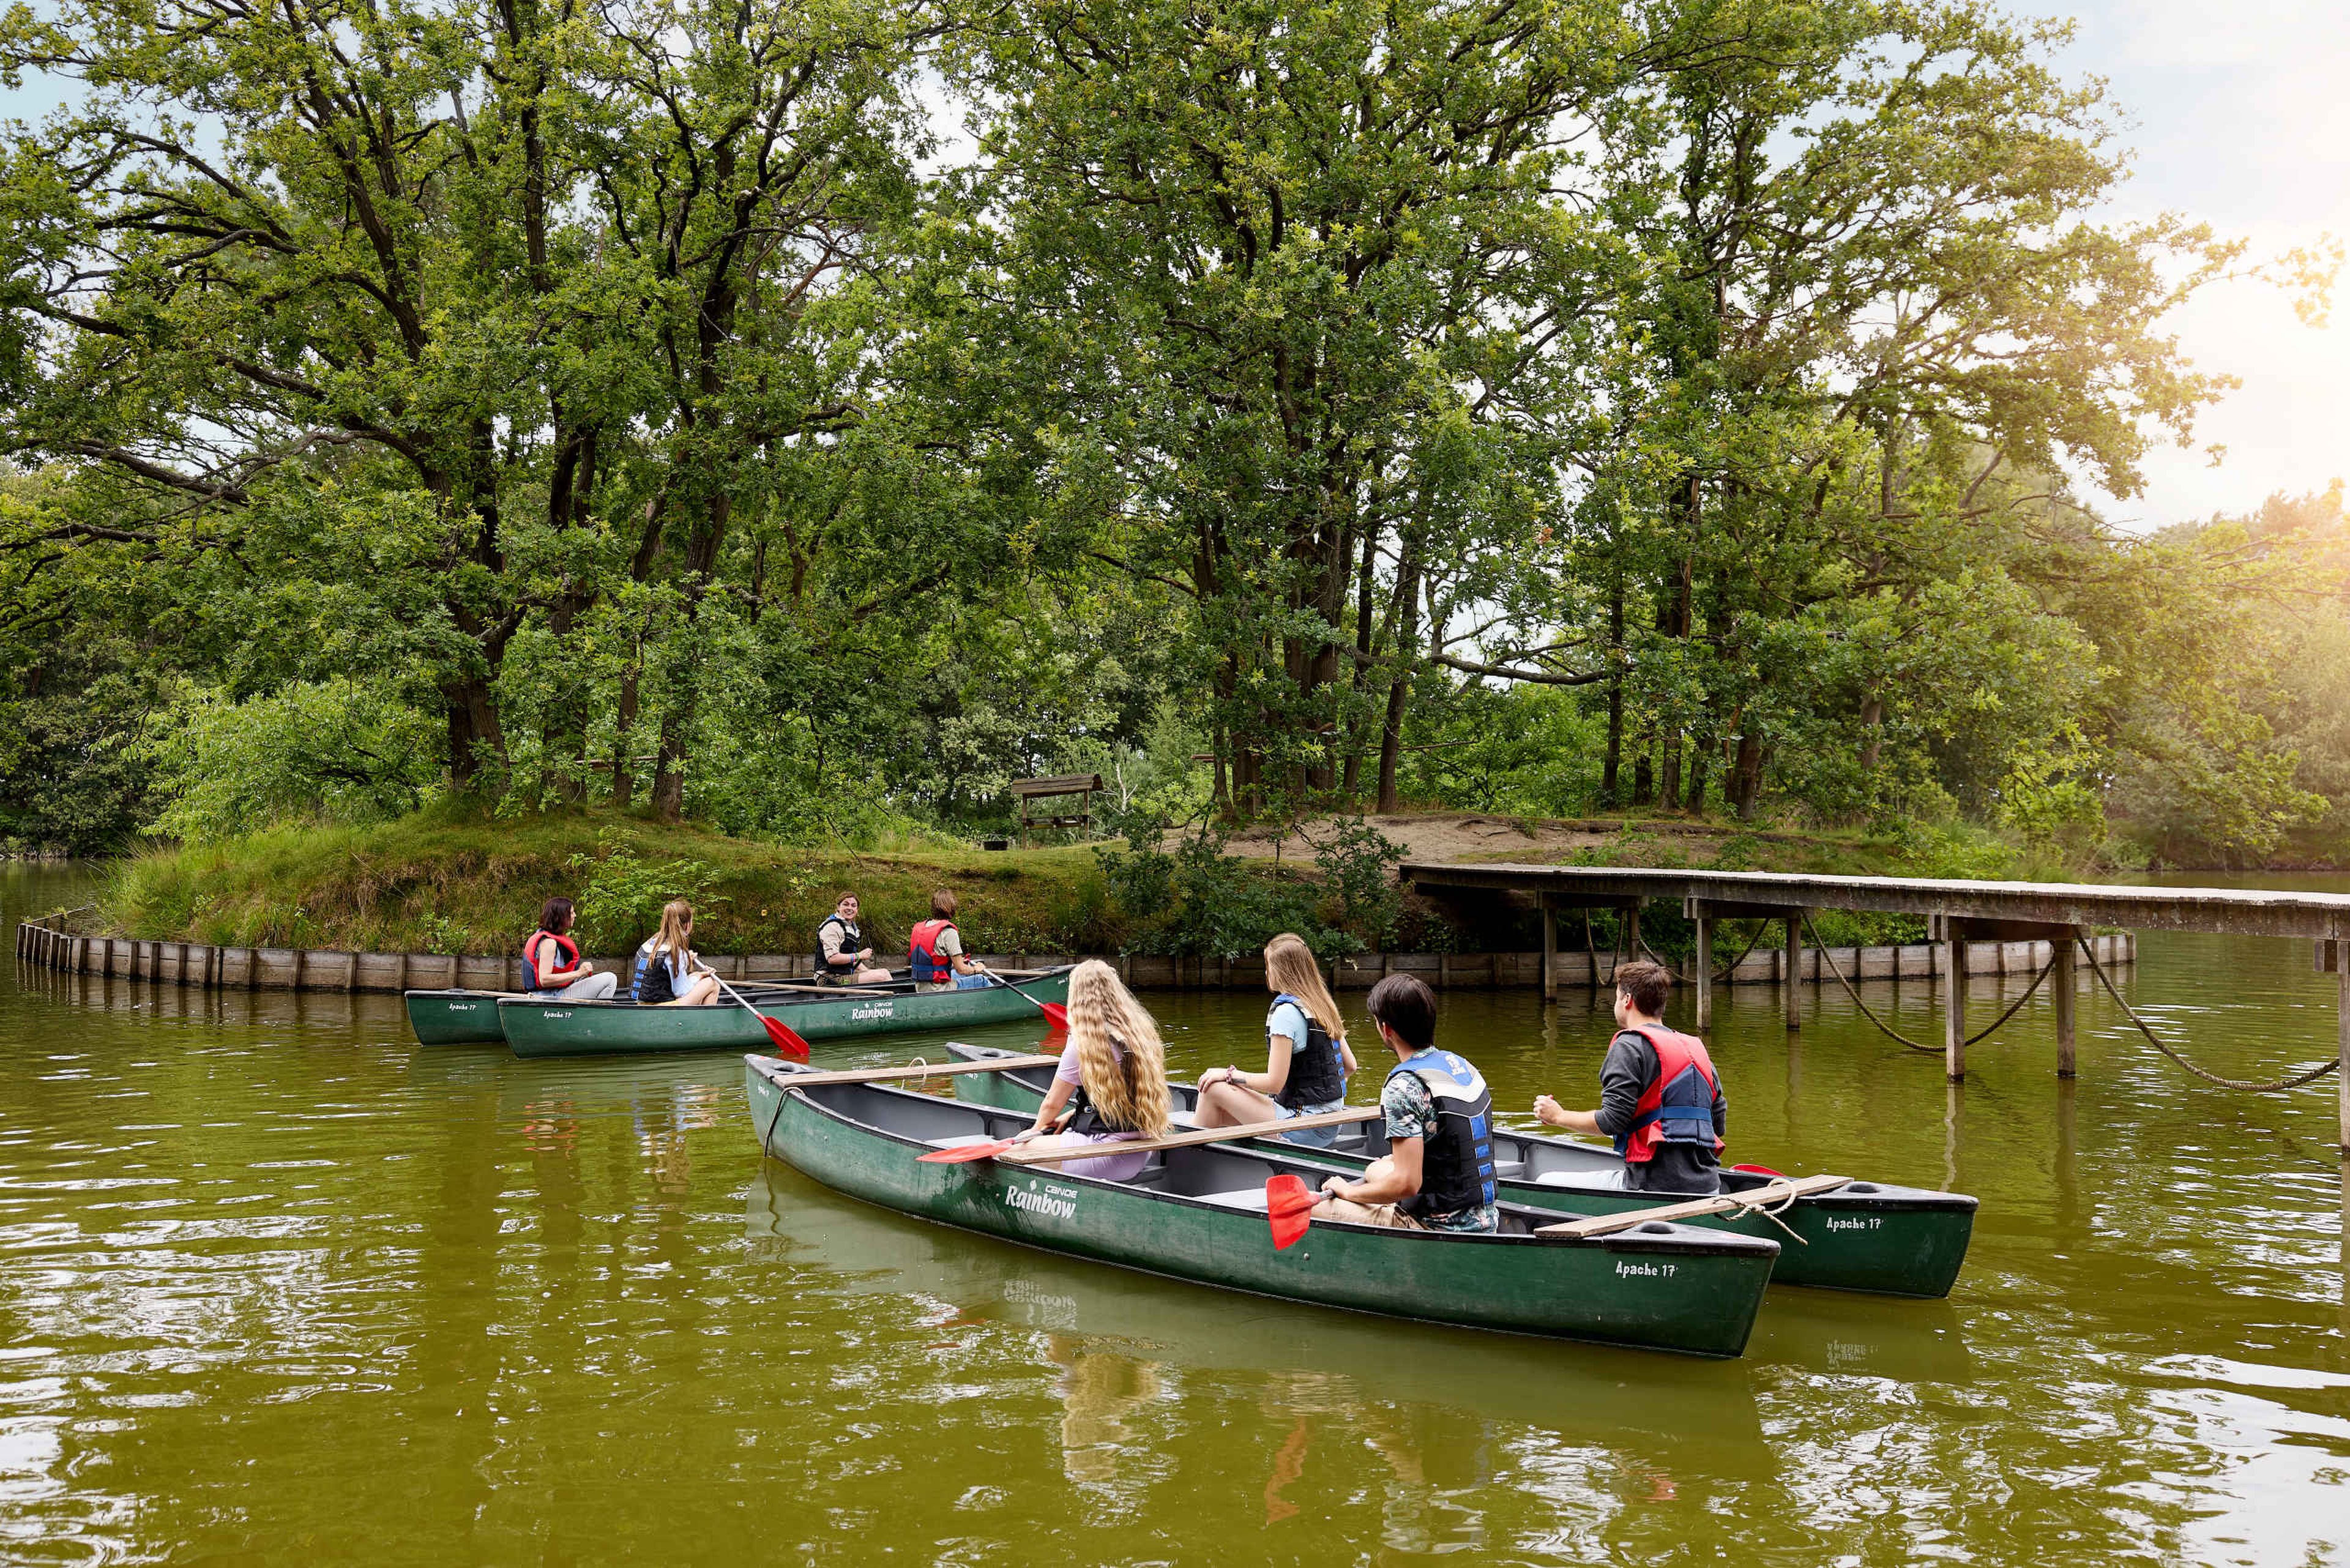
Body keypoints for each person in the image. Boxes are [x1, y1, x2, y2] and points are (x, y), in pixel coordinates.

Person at [1311, 974, 1498, 1232]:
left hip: (1438, 1227)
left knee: (1315, 1210)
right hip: (1486, 1216)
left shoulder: (1403, 1087)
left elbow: (1406, 1185)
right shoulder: (1462, 1066)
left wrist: (1346, 1191)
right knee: (1376, 1169)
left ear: (1387, 1030)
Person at [1533, 958, 1726, 1195]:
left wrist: (1558, 1116)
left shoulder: (1629, 1046)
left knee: (1544, 1181)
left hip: (1651, 1188)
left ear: (1627, 1000)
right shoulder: (1696, 1049)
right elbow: (1717, 1124)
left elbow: (1612, 1121)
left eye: (1616, 997)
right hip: (1709, 1189)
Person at [1010, 959, 1173, 1181]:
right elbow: (1119, 1103)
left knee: (1014, 1152)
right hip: (1140, 1153)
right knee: (1059, 1134)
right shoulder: (1140, 1034)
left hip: (1102, 1156)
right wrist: (1071, 1116)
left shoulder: (1082, 1045)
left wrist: (1034, 1134)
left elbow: (1051, 1104)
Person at [1193, 933, 1360, 1147]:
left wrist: (1229, 1075)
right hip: (1330, 1124)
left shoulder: (1286, 1013)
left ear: (1280, 971)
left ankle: (1190, 1160)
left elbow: (1274, 1084)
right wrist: (1323, 1098)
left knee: (1212, 1089)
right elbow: (1351, 1066)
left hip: (1302, 1126)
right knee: (1219, 1111)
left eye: (1268, 965)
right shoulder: (1322, 1005)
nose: (1266, 972)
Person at [521, 897, 617, 1000]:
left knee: (585, 977)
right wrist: (578, 973)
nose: (575, 916)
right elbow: (544, 980)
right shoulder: (549, 943)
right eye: (571, 913)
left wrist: (581, 973)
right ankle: (597, 1015)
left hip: (554, 992)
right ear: (560, 917)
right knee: (610, 979)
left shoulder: (549, 937)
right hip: (550, 997)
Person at [631, 899, 721, 1007]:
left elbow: (658, 971)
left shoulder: (650, 943)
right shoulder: (676, 951)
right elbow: (681, 992)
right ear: (687, 925)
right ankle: (704, 1023)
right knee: (713, 983)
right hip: (663, 1009)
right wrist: (699, 977)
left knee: (697, 976)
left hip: (641, 1005)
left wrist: (688, 962)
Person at [907, 889, 990, 991]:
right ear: (952, 908)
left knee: (954, 974)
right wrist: (976, 969)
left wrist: (956, 961)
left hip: (921, 987)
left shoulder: (919, 928)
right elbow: (961, 970)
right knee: (981, 980)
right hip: (939, 989)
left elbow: (932, 960)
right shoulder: (948, 932)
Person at [814, 894, 892, 986]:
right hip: (829, 980)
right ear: (838, 907)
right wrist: (859, 955)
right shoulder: (832, 927)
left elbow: (851, 959)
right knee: (882, 976)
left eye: (853, 906)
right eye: (846, 904)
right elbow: (833, 958)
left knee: (884, 972)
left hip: (844, 975)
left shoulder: (850, 927)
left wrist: (867, 972)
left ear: (857, 910)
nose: (850, 908)